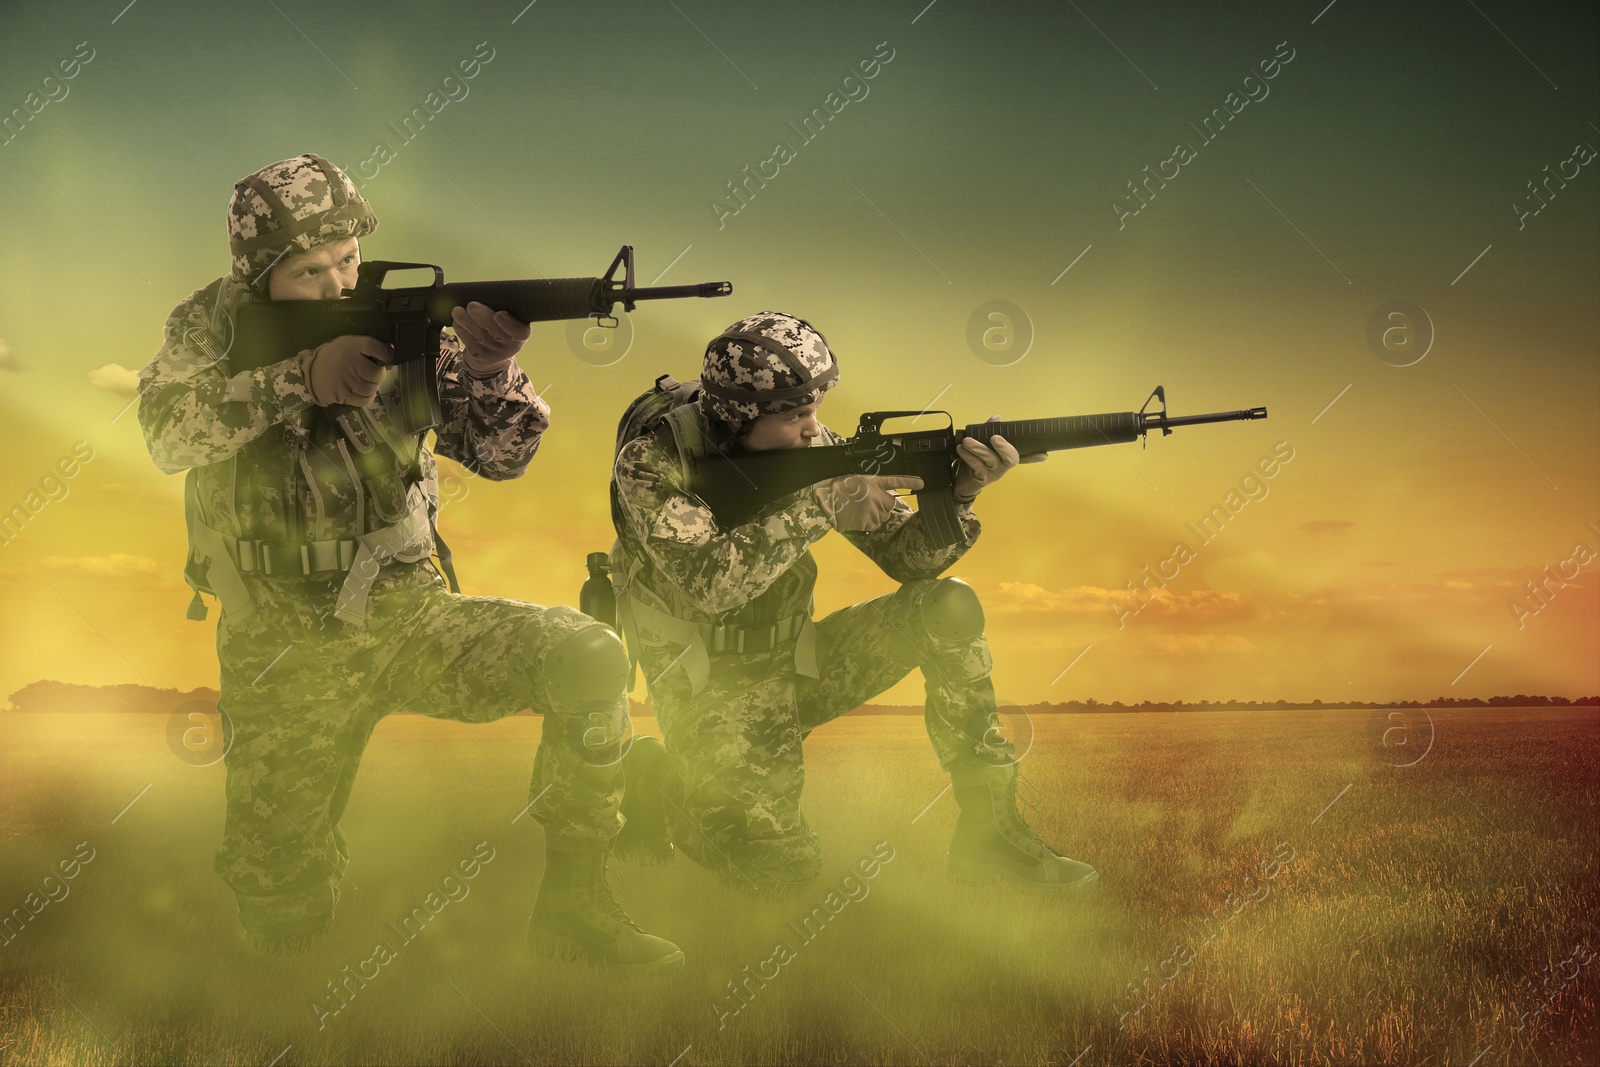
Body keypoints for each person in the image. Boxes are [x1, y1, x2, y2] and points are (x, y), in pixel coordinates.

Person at [136, 153, 682, 975]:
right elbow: (166, 433)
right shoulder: (208, 326)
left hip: (408, 611)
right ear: (257, 275)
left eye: (347, 260)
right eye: (309, 271)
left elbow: (501, 457)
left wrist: (493, 368)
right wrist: (301, 378)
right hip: (279, 639)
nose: (335, 284)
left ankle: (576, 904)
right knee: (278, 910)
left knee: (588, 657)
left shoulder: (408, 328)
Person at [609, 311, 1098, 896]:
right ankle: (656, 779)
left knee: (947, 607)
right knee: (778, 869)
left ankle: (989, 833)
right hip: (707, 684)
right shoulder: (651, 462)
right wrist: (824, 503)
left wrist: (961, 491)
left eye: (815, 409)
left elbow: (909, 563)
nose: (815, 430)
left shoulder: (814, 447)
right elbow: (712, 586)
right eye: (795, 416)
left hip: (798, 662)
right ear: (738, 416)